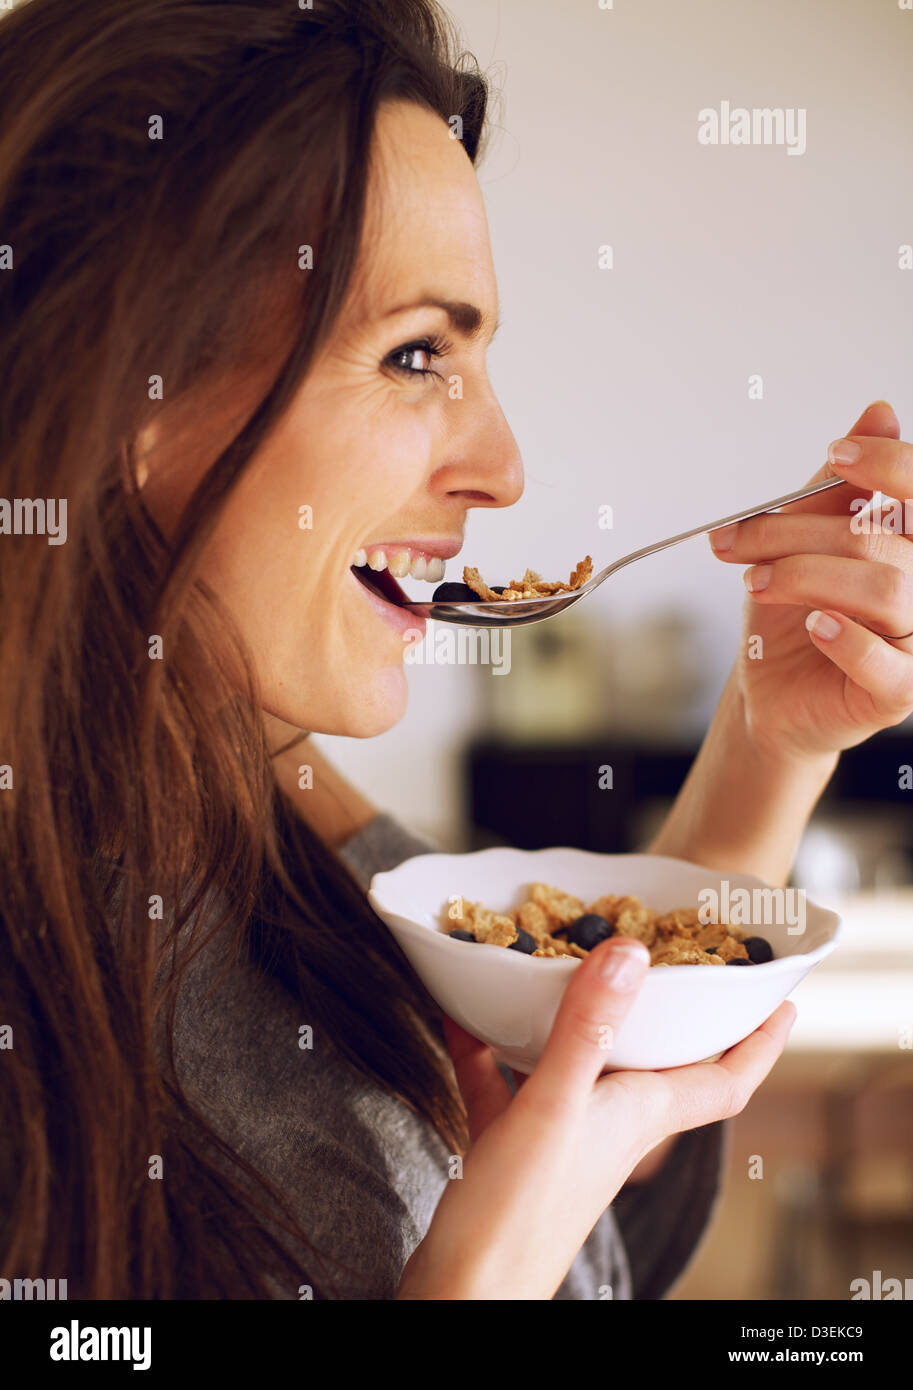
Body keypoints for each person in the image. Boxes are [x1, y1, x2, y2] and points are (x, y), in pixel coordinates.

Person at [1, 0, 910, 1301]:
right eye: (415, 351)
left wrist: (771, 736)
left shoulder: (294, 806)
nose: (503, 468)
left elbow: (592, 1220)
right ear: (124, 381)